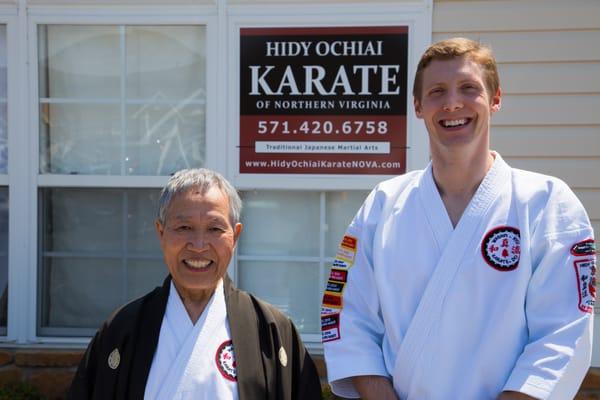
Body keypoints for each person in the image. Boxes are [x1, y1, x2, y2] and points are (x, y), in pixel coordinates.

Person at [321, 37, 595, 400]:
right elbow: (347, 315)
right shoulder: (383, 205)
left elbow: (563, 334)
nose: (452, 103)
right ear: (418, 106)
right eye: (437, 91)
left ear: (496, 99)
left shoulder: (547, 203)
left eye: (469, 88)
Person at [69, 168, 322, 400]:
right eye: (184, 227)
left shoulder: (271, 329)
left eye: (214, 229)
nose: (199, 245)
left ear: (235, 236)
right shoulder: (123, 327)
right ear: (161, 233)